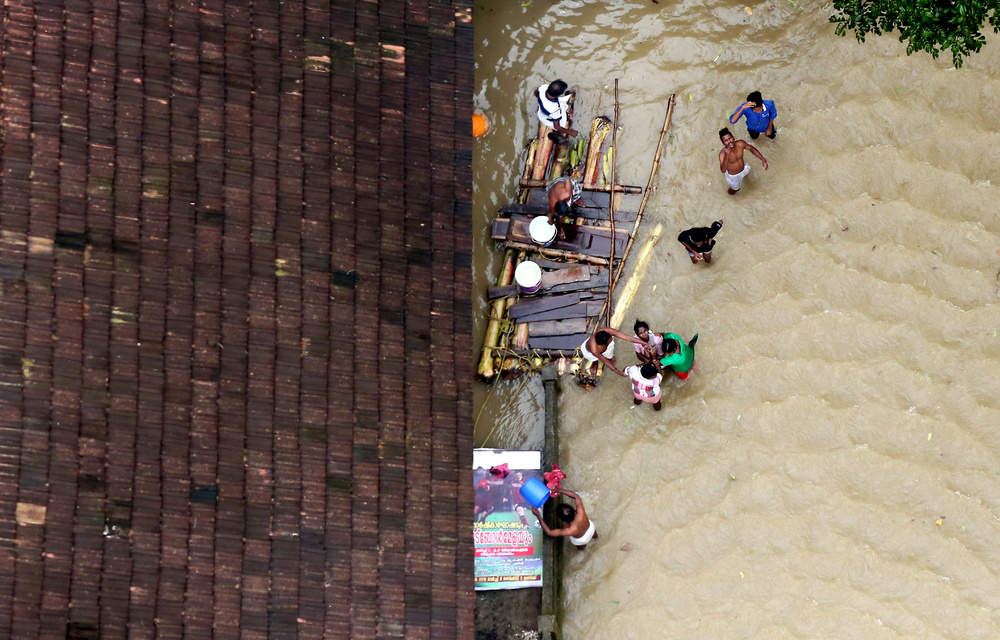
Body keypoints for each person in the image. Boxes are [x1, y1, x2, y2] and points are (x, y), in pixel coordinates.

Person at [530, 488, 597, 550]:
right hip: (591, 528)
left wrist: (538, 515)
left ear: (562, 519)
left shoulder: (569, 530)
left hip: (582, 540)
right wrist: (558, 490)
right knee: (594, 534)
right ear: (574, 510)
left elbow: (549, 532)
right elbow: (575, 496)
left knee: (581, 546)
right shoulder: (580, 512)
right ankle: (596, 537)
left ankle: (582, 549)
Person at [580, 327, 645, 377]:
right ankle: (595, 362)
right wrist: (618, 372)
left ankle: (609, 357)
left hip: (605, 348)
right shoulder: (595, 350)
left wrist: (645, 343)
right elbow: (605, 361)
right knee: (595, 358)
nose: (612, 337)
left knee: (610, 357)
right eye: (610, 338)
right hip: (590, 353)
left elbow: (627, 338)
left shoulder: (606, 331)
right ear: (605, 343)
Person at [719, 128, 767, 195]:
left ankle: (744, 177)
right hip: (734, 176)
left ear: (733, 137)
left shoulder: (740, 144)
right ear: (723, 143)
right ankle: (729, 194)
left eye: (730, 138)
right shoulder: (723, 154)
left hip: (743, 168)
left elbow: (751, 148)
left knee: (747, 172)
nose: (729, 141)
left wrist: (762, 159)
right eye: (726, 141)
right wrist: (727, 155)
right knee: (735, 189)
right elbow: (723, 170)